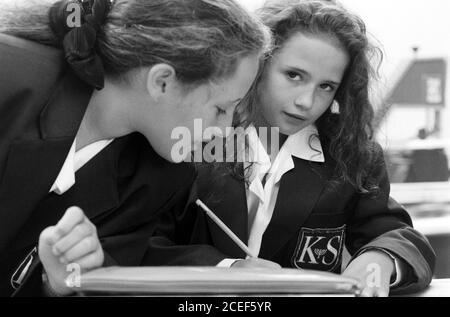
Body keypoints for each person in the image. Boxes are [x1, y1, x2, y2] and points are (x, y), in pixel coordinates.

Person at [145, 0, 436, 297]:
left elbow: (399, 236)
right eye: (294, 76)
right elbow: (144, 244)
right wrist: (225, 269)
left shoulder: (350, 153)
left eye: (326, 86)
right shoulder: (193, 136)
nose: (306, 102)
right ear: (258, 65)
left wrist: (381, 259)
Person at [0, 0, 269, 296]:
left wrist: (57, 284)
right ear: (162, 82)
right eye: (220, 108)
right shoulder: (9, 77)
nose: (224, 131)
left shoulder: (160, 180)